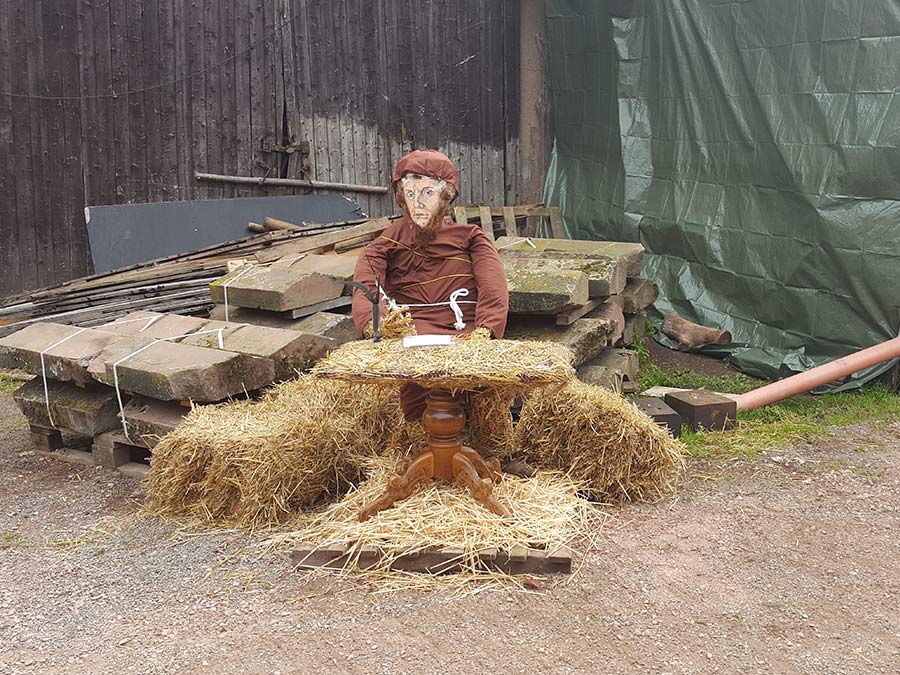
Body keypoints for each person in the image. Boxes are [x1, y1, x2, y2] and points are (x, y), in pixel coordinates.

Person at [351, 149, 509, 420]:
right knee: (418, 413)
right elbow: (366, 289)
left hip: (466, 336)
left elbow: (493, 288)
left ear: (445, 197)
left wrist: (485, 332)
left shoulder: (471, 237)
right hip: (411, 341)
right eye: (411, 193)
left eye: (428, 193)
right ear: (401, 198)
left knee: (485, 406)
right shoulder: (383, 246)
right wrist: (378, 326)